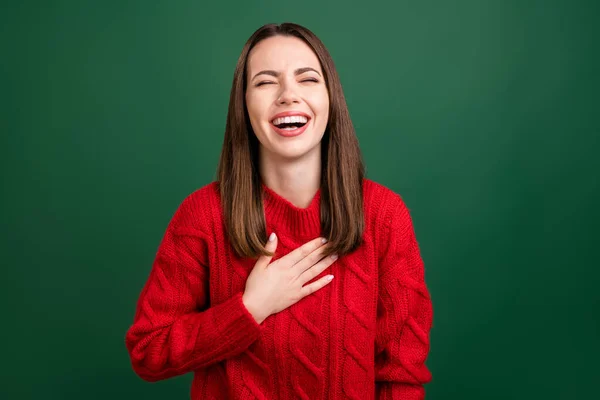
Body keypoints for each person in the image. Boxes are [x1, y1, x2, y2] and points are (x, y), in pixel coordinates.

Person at [125, 22, 433, 399]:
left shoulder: (384, 215)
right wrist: (250, 309)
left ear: (330, 98)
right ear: (243, 104)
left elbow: (400, 376)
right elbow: (148, 351)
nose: (288, 95)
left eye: (306, 79)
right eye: (266, 82)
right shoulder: (203, 216)